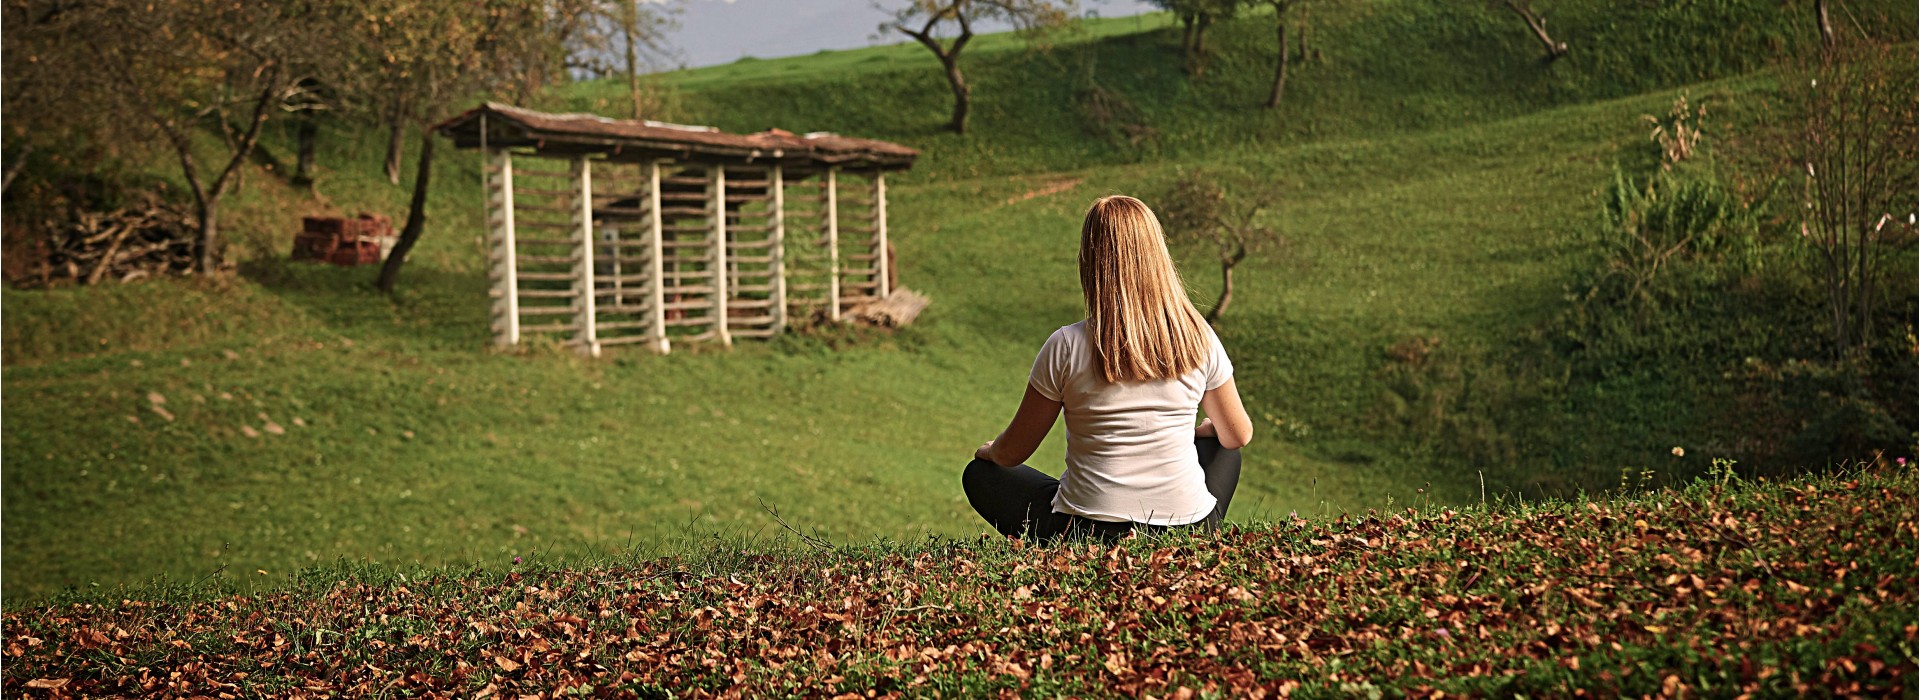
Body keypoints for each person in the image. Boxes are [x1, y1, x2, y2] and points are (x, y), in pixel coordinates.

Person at [963, 195, 1254, 542]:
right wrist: (1202, 431)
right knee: (1225, 448)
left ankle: (1085, 509)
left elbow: (1013, 453)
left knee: (980, 475)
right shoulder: (1197, 337)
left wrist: (991, 451)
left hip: (1086, 533)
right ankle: (1185, 529)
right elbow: (1238, 436)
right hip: (1188, 531)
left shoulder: (1066, 345)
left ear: (1089, 260)